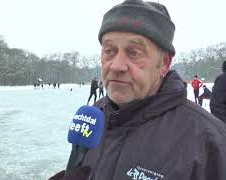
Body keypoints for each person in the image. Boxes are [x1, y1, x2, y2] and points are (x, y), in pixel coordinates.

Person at [49, 0, 226, 180]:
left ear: (164, 63)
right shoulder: (95, 116)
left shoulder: (212, 143)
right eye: (109, 51)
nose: (116, 66)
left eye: (134, 53)